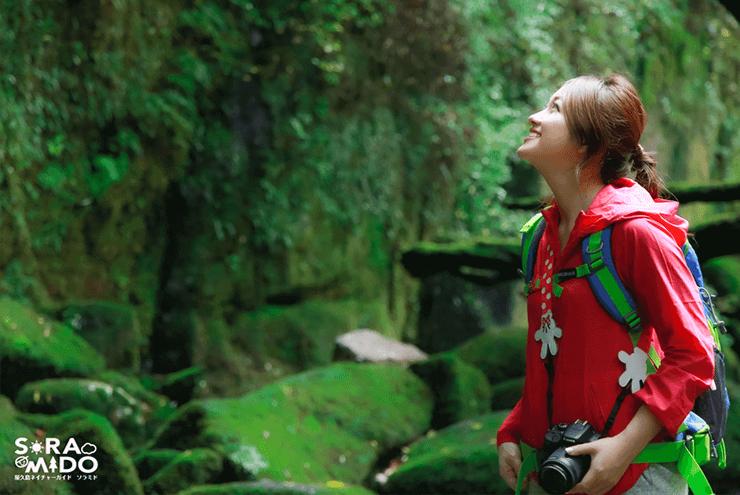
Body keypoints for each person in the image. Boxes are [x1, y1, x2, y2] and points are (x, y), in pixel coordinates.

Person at [496, 74, 715, 495]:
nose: (534, 117)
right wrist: (513, 430)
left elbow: (693, 355)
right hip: (555, 474)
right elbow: (554, 357)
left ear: (586, 144)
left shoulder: (637, 235)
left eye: (555, 109)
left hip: (638, 475)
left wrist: (622, 452)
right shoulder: (539, 238)